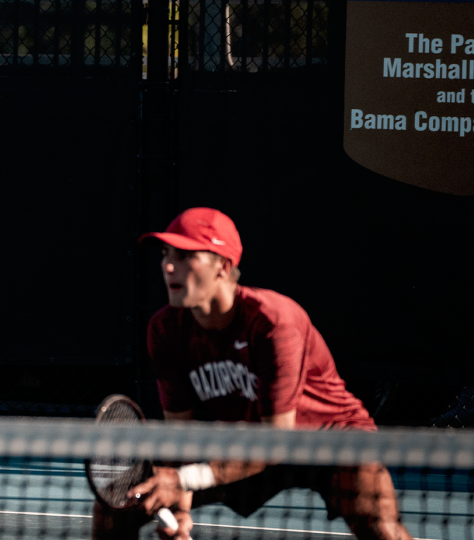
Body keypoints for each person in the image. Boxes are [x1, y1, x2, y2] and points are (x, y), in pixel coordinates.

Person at [92, 207, 412, 540]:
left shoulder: (273, 322)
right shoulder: (165, 330)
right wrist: (180, 510)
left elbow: (276, 441)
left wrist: (184, 481)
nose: (168, 266)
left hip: (331, 440)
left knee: (381, 530)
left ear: (223, 267)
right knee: (118, 505)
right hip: (248, 445)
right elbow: (181, 436)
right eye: (166, 255)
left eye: (186, 256)